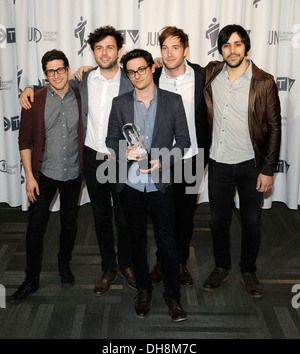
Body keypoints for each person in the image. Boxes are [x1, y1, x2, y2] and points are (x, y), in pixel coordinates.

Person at [19, 26, 136, 296]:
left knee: (126, 217)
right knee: (100, 218)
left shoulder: (131, 80)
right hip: (93, 161)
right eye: (98, 48)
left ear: (119, 51)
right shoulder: (84, 80)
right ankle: (108, 267)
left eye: (109, 47)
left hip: (122, 161)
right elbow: (52, 87)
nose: (104, 52)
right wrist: (27, 88)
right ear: (92, 52)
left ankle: (127, 265)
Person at [106, 49, 190, 322]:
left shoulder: (173, 101)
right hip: (130, 185)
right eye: (131, 72)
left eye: (141, 69)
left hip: (160, 184)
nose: (137, 76)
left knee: (167, 241)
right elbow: (111, 139)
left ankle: (172, 295)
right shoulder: (119, 103)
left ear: (152, 68)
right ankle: (143, 289)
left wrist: (164, 161)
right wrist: (123, 152)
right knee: (136, 240)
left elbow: (184, 143)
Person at [203, 24, 281, 298]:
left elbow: (273, 127)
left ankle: (249, 270)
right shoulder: (212, 73)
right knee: (218, 221)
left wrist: (268, 169)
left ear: (246, 46)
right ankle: (221, 266)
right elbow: (181, 67)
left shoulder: (264, 81)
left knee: (252, 221)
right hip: (219, 163)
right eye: (226, 45)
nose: (232, 50)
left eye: (237, 44)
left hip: (251, 164)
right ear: (220, 49)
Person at [12, 49, 84, 301]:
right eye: (50, 71)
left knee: (69, 224)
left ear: (67, 69)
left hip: (74, 173)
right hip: (44, 174)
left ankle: (64, 265)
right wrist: (30, 177)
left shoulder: (79, 93)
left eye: (60, 69)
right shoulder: (34, 100)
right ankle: (31, 278)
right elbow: (24, 142)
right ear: (45, 74)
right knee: (35, 228)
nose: (56, 75)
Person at [150, 26, 209, 287]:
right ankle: (163, 261)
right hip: (161, 158)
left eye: (176, 47)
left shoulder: (202, 75)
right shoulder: (152, 74)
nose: (170, 53)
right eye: (165, 48)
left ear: (186, 50)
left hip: (192, 157)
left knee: (185, 216)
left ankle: (181, 262)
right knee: (161, 215)